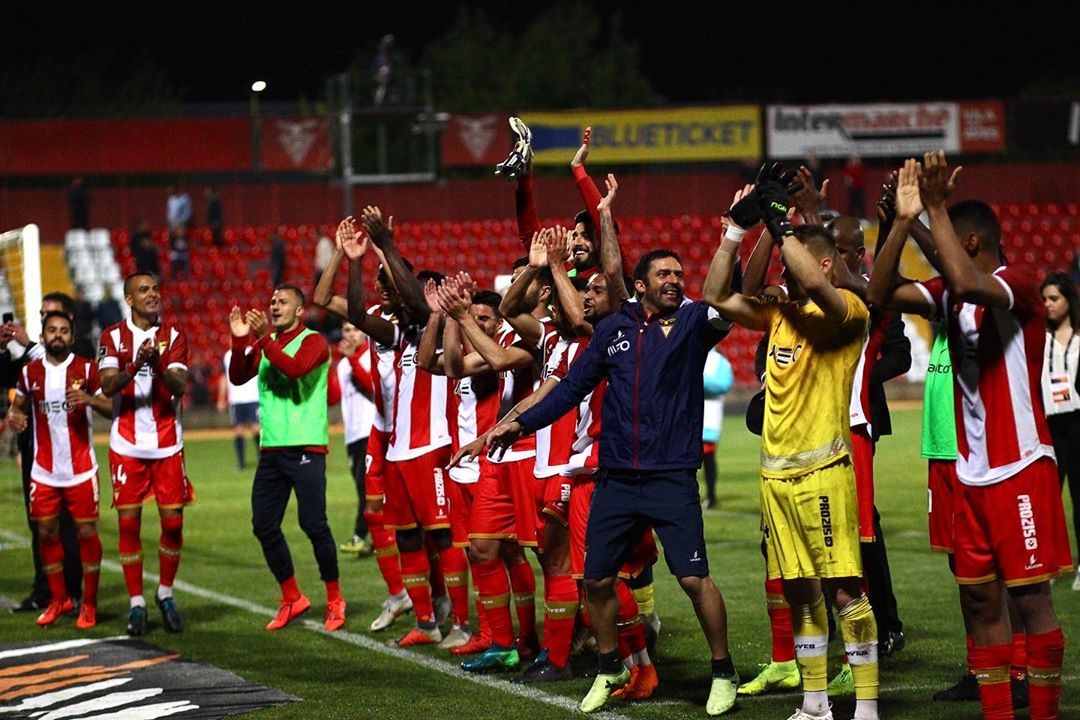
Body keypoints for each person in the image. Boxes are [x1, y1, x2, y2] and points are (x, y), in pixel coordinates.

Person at [488, 242, 739, 714]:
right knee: (597, 580)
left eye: (678, 273)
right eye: (663, 274)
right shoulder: (613, 331)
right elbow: (572, 389)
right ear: (640, 286)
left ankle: (723, 670)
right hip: (617, 478)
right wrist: (520, 423)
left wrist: (734, 236)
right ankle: (609, 667)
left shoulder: (692, 324)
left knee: (692, 579)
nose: (674, 280)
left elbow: (723, 297)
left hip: (671, 477)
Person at [872, 153, 1069, 720]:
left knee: (1031, 599)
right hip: (969, 473)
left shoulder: (1018, 286)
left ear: (975, 242)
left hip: (1023, 465)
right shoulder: (950, 297)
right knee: (980, 599)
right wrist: (904, 222)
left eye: (952, 240)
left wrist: (931, 205)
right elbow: (880, 294)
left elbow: (961, 276)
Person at [704, 175, 879, 720]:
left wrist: (784, 224)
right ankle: (815, 705)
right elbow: (717, 294)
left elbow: (816, 283)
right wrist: (738, 227)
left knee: (845, 590)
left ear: (822, 264)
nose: (784, 272)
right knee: (801, 592)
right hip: (774, 475)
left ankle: (868, 708)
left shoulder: (848, 311)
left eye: (795, 261)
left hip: (822, 470)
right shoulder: (778, 315)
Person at [345, 209, 469, 650]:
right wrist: (357, 259)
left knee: (443, 535)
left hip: (435, 445)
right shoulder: (400, 335)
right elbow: (358, 315)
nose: (394, 294)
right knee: (408, 536)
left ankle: (462, 624)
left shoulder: (446, 326)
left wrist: (387, 245)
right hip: (399, 450)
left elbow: (417, 302)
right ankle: (427, 620)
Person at [313, 217, 412, 633]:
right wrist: (342, 252)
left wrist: (384, 248)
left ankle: (438, 603)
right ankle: (398, 594)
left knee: (421, 526)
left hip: (417, 431)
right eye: (380, 281)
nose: (383, 288)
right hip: (382, 429)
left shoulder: (417, 317)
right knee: (374, 513)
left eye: (391, 281)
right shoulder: (369, 315)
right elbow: (322, 297)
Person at [228, 286, 346, 632]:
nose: (274, 306)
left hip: (307, 447)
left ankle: (335, 598)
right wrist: (239, 341)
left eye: (282, 302)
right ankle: (292, 597)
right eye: (272, 301)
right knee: (263, 524)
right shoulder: (268, 344)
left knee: (313, 524)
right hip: (272, 449)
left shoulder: (314, 342)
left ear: (299, 311)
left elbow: (295, 370)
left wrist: (263, 339)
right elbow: (238, 376)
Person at [99, 272, 192, 637]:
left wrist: (155, 366)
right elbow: (108, 386)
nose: (152, 295)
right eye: (144, 290)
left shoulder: (174, 336)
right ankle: (137, 602)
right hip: (127, 446)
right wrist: (136, 364)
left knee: (172, 523)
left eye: (155, 289)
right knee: (128, 524)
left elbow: (180, 385)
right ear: (129, 299)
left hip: (168, 443)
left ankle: (164, 593)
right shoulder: (112, 337)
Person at [7, 311, 110, 629]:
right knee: (47, 533)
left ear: (71, 336)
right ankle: (58, 599)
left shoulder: (87, 369)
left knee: (86, 534)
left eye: (64, 330)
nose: (58, 335)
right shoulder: (29, 372)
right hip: (44, 471)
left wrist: (90, 399)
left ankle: (88, 605)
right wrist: (14, 417)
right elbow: (17, 407)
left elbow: (111, 406)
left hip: (80, 469)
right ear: (43, 336)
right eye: (52, 330)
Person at [1039, 272, 1080, 590]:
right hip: (1048, 425)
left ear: (1069, 300)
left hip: (1077, 425)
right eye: (1044, 299)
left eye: (1054, 298)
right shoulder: (1039, 337)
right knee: (1047, 499)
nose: (1048, 305)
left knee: (1079, 500)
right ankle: (1048, 564)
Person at [335, 321, 376, 556]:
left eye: (355, 330)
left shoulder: (369, 358)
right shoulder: (342, 365)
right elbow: (336, 397)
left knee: (366, 489)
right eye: (346, 330)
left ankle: (360, 536)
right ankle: (383, 539)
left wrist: (351, 360)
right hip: (353, 435)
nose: (350, 334)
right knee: (364, 488)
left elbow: (371, 386)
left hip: (369, 431)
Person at [218, 348, 260, 470]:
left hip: (254, 397)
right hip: (236, 399)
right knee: (238, 430)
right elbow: (224, 377)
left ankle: (262, 459)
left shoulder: (252, 352)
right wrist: (221, 398)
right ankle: (241, 462)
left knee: (256, 429)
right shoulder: (227, 355)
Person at [701, 347, 733, 509]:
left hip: (709, 417)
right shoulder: (691, 352)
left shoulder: (718, 360)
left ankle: (711, 495)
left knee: (707, 457)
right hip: (687, 415)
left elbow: (723, 384)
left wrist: (698, 379)